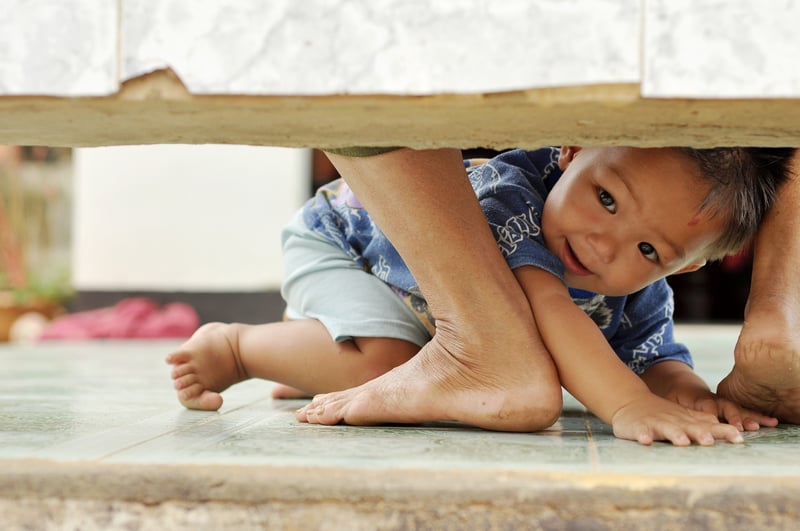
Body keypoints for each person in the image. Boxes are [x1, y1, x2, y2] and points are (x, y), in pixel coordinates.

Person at [167, 145, 792, 445]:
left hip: (412, 305)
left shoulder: (637, 288)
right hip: (346, 245)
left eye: (650, 251)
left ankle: (308, 359)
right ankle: (240, 347)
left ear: (686, 269)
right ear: (573, 151)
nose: (604, 246)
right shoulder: (509, 198)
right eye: (605, 198)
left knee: (403, 357)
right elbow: (548, 313)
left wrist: (694, 399)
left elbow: (654, 358)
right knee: (391, 359)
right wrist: (628, 407)